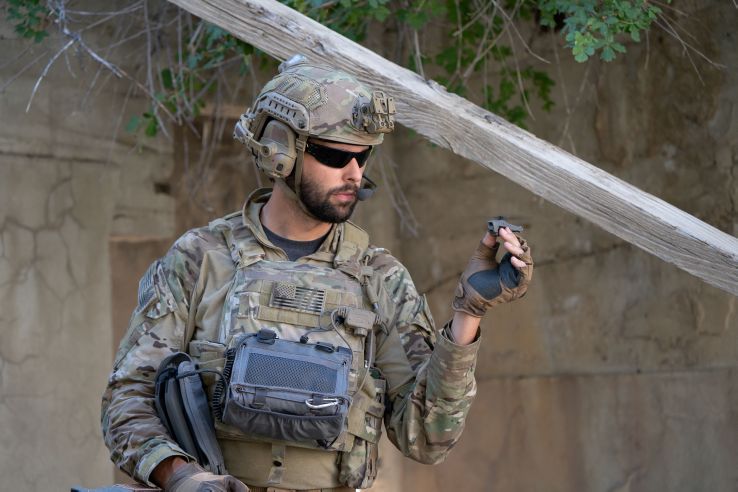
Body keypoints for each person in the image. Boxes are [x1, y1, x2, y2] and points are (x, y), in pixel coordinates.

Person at [101, 56, 533, 492]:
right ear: (279, 152)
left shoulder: (380, 279)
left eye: (363, 156)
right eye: (333, 155)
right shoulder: (202, 260)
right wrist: (182, 477)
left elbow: (425, 437)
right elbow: (128, 397)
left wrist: (468, 313)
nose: (354, 173)